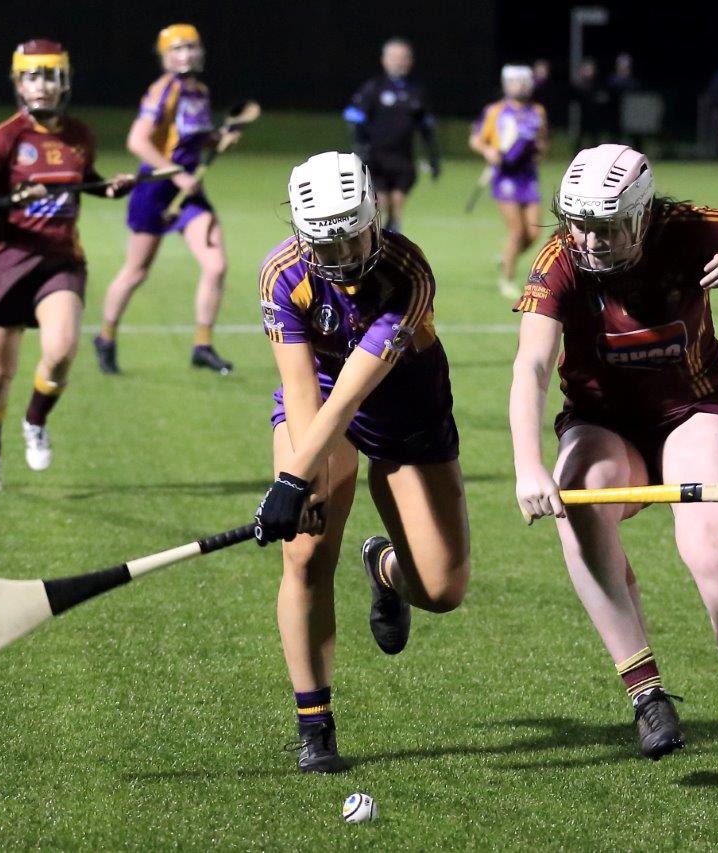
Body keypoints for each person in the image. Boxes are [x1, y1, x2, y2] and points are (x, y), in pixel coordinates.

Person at [508, 144, 718, 790]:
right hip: (604, 422)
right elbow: (532, 364)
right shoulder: (560, 259)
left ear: (643, 214)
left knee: (713, 554)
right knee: (579, 500)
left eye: (607, 225)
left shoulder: (684, 227)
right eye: (580, 223)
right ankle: (645, 690)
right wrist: (527, 464)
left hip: (698, 406)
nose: (591, 241)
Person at [253, 152, 470, 773]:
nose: (344, 256)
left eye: (353, 237)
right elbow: (305, 388)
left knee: (442, 591)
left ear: (375, 215)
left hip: (405, 412)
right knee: (305, 553)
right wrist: (304, 482)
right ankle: (314, 725)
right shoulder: (281, 274)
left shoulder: (408, 273)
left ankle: (385, 568)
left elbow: (355, 390)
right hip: (318, 406)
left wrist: (294, 479)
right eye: (328, 243)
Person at [0, 40, 133, 492]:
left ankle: (35, 421)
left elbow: (81, 180)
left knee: (62, 349)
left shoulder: (78, 136)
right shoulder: (2, 140)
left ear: (64, 83)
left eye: (50, 76)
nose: (42, 85)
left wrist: (107, 187)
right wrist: (14, 199)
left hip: (60, 260)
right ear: (18, 83)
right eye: (32, 76)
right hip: (7, 263)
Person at [93, 23, 235, 376]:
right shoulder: (162, 91)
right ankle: (105, 337)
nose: (186, 54)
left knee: (216, 265)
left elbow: (193, 139)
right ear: (165, 56)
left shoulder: (199, 91)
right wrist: (179, 174)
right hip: (155, 191)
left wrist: (217, 140)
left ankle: (202, 346)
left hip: (188, 193)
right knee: (136, 271)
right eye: (178, 49)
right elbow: (137, 141)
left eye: (191, 47)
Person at [343, 38, 441, 233]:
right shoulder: (373, 88)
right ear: (384, 60)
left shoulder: (417, 92)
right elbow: (353, 117)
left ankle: (392, 235)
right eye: (394, 57)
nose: (399, 62)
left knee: (396, 206)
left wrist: (433, 158)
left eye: (403, 58)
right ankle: (378, 237)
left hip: (404, 159)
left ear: (410, 61)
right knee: (381, 204)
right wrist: (360, 147)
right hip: (376, 158)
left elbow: (426, 127)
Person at [469, 65, 548, 299]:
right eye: (515, 81)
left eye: (524, 81)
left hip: (528, 176)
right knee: (516, 230)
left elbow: (542, 140)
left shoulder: (538, 111)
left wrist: (540, 151)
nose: (520, 86)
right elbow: (476, 139)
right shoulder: (495, 111)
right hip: (505, 176)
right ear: (506, 84)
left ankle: (506, 258)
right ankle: (507, 279)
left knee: (533, 233)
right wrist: (488, 151)